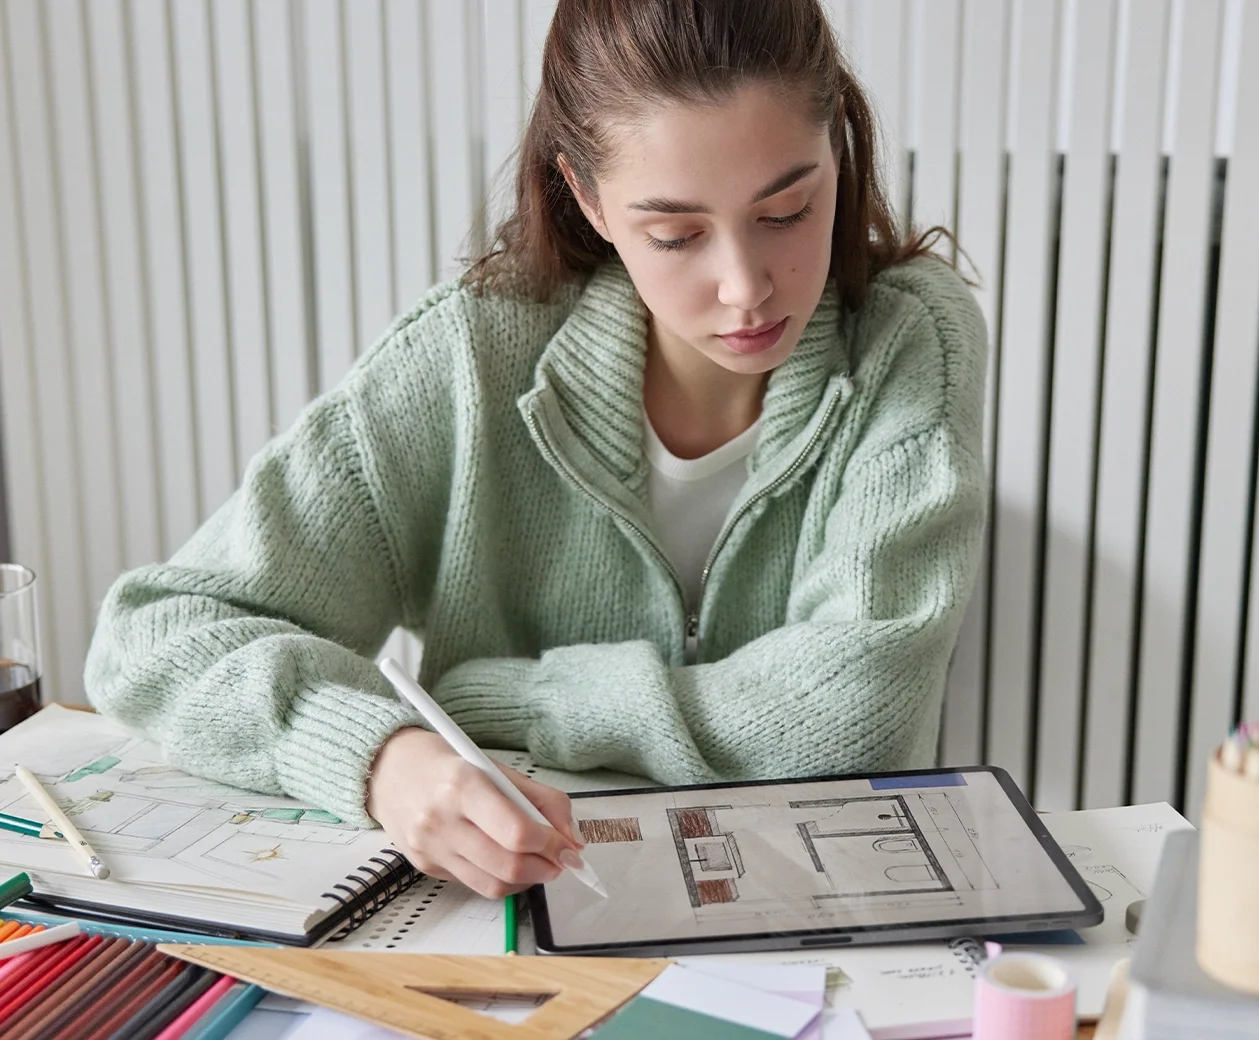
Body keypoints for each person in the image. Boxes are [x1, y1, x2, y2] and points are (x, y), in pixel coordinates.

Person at [85, 0, 988, 900]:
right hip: (515, 923)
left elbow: (854, 716)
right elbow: (155, 636)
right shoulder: (467, 363)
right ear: (588, 198)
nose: (744, 287)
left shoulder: (912, 341)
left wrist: (503, 702)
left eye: (788, 211)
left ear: (837, 142)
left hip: (815, 918)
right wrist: (381, 760)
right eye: (675, 234)